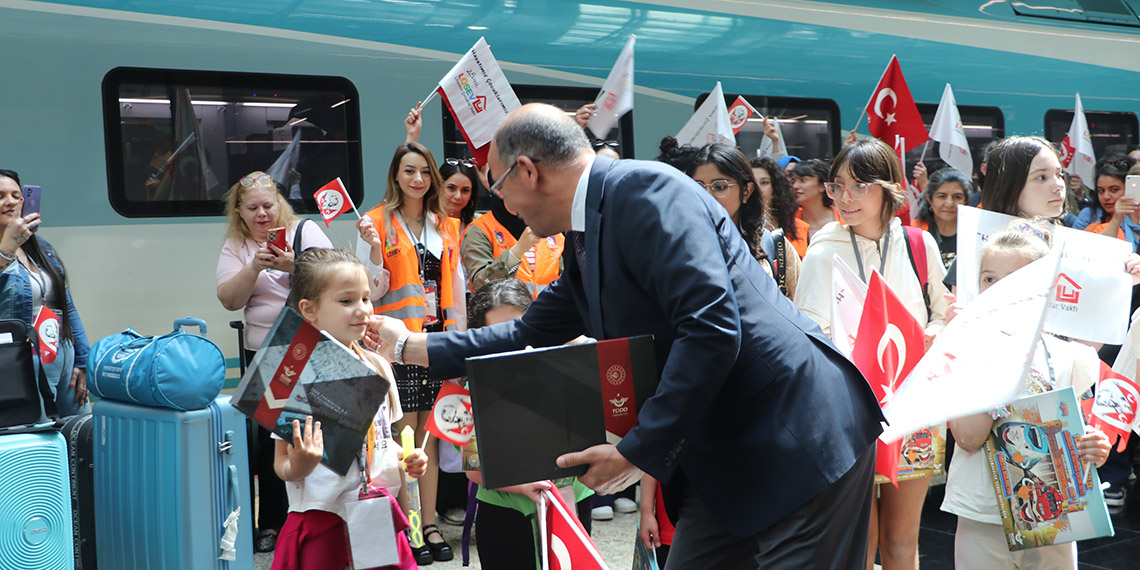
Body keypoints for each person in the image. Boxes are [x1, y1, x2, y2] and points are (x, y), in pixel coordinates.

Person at [368, 103, 884, 569]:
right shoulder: (584, 232)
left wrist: (637, 451)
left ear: (528, 171)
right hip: (723, 453)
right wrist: (408, 346)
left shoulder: (646, 192)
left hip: (795, 435)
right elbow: (527, 332)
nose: (499, 204)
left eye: (497, 187)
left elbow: (711, 328)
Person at [793, 138, 950, 570]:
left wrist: (931, 335)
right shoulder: (823, 252)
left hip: (914, 408)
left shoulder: (920, 245)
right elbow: (809, 338)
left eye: (859, 185)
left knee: (903, 543)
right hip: (852, 415)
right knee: (859, 544)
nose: (845, 197)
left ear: (889, 189)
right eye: (837, 185)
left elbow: (943, 311)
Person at [941, 225, 1111, 570]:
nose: (1001, 290)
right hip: (982, 515)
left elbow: (1080, 430)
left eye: (1016, 279)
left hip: (1054, 516)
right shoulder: (967, 352)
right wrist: (996, 355)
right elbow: (969, 437)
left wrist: (1095, 447)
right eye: (990, 279)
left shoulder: (1068, 358)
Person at [270, 248, 428, 570]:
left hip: (374, 509)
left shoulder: (380, 366)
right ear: (308, 309)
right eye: (346, 301)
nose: (362, 310)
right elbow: (281, 463)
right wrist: (299, 465)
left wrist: (405, 457)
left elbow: (384, 440)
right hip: (320, 515)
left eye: (366, 299)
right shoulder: (293, 373)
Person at [355, 142, 464, 565]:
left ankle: (430, 521)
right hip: (394, 345)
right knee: (401, 441)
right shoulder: (375, 222)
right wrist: (373, 248)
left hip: (436, 344)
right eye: (408, 171)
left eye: (424, 172)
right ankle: (411, 526)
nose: (417, 179)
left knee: (428, 442)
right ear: (396, 177)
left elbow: (456, 295)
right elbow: (372, 289)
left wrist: (461, 346)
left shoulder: (445, 224)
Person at [215, 170, 333, 553]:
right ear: (240, 211)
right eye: (253, 208)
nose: (262, 214)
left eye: (269, 205)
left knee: (304, 432)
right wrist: (254, 267)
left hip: (302, 347)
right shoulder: (237, 245)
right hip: (261, 353)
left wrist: (291, 265)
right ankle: (270, 523)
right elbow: (229, 300)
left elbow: (336, 277)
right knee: (266, 442)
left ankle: (316, 513)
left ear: (279, 203)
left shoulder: (305, 231)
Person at [458, 278, 594, 568]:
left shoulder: (566, 368)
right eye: (497, 334)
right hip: (507, 513)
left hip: (571, 503)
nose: (511, 342)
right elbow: (472, 465)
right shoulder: (474, 385)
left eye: (517, 330)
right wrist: (523, 485)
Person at [0, 168, 90, 416]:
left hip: (62, 352)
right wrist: (6, 247)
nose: (10, 202)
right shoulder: (5, 250)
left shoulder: (42, 248)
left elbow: (67, 305)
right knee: (38, 432)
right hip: (21, 360)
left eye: (16, 195)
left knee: (79, 433)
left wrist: (83, 360)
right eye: (0, 196)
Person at [943, 136, 1068, 292]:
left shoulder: (1069, 246)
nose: (1058, 185)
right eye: (1041, 177)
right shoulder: (976, 245)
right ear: (1008, 184)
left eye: (1059, 175)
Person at [688, 143, 801, 299]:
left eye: (719, 187)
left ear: (746, 191)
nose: (707, 196)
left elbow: (801, 310)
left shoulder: (775, 245)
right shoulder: (679, 247)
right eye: (698, 187)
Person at [911, 167, 971, 268]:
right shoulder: (915, 233)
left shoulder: (974, 232)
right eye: (942, 196)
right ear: (929, 199)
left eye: (957, 197)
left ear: (966, 201)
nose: (949, 203)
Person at [751, 156, 809, 258]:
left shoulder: (800, 228)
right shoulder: (738, 229)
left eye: (764, 182)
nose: (758, 189)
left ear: (775, 187)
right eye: (753, 183)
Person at [1082, 156, 1140, 250]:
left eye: (1114, 190)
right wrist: (1116, 219)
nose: (1106, 197)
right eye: (1101, 191)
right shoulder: (1097, 229)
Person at [790, 158, 840, 241]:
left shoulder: (844, 217)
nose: (795, 186)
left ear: (822, 185)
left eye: (803, 180)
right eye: (793, 181)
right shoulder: (789, 221)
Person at [438, 158, 478, 235]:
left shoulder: (479, 224)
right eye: (451, 188)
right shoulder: (426, 222)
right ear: (439, 188)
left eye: (465, 190)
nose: (458, 196)